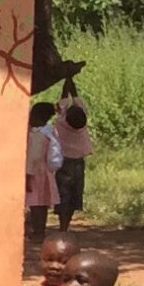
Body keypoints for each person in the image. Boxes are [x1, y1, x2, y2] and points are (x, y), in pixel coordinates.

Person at [24, 100, 63, 244]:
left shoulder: (38, 136)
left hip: (34, 173)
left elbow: (33, 158)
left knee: (36, 204)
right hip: (45, 171)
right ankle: (40, 230)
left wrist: (28, 176)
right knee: (41, 203)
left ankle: (37, 231)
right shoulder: (49, 132)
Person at [56, 87, 93, 233]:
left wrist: (67, 84)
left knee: (63, 194)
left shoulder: (61, 123)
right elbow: (79, 105)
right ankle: (65, 225)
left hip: (63, 164)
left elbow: (63, 103)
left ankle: (62, 225)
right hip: (78, 164)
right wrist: (73, 89)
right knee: (74, 194)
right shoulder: (82, 126)